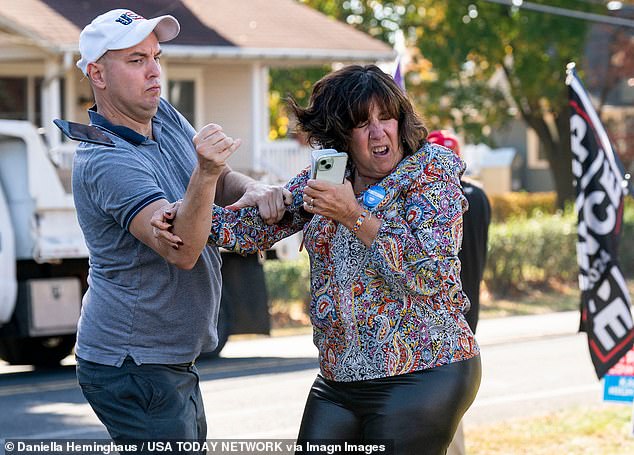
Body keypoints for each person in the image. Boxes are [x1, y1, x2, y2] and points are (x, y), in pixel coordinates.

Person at [154, 64, 481, 454]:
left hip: (423, 371)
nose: (379, 132)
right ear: (341, 135)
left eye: (387, 117)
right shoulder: (330, 172)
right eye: (363, 124)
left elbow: (429, 271)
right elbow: (246, 231)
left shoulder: (430, 170)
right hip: (338, 380)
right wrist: (180, 214)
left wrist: (352, 214)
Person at [71, 8, 289, 444]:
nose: (154, 72)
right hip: (133, 364)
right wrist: (206, 173)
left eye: (155, 57)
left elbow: (223, 180)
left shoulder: (162, 114)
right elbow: (183, 249)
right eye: (136, 61)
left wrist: (256, 189)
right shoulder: (106, 160)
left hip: (166, 360)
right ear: (97, 73)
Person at [428, 130, 491, 455]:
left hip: (439, 314)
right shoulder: (478, 197)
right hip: (469, 311)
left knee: (441, 413)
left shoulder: (437, 201)